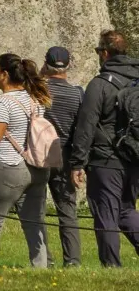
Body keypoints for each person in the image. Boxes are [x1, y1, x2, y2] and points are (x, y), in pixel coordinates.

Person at [0, 52, 51, 268]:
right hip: (36, 167)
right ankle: (40, 265)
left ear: (4, 74)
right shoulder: (36, 100)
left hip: (9, 166)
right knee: (34, 221)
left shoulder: (1, 103)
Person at [64, 29, 139, 266]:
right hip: (134, 158)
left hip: (105, 160)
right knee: (126, 211)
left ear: (105, 53)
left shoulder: (100, 84)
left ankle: (111, 267)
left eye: (98, 51)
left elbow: (86, 125)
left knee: (105, 214)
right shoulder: (137, 80)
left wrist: (77, 162)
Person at [42, 46, 85, 267]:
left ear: (45, 64)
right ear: (68, 66)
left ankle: (44, 260)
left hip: (40, 154)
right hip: (66, 153)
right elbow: (82, 128)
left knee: (35, 209)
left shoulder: (39, 90)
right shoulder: (78, 93)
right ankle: (73, 262)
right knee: (67, 210)